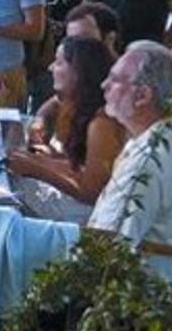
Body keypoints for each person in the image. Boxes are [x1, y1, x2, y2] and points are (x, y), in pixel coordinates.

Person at [87, 41, 172, 253]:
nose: (103, 85)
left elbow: (105, 250)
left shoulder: (147, 161)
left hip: (154, 280)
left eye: (115, 79)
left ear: (142, 96)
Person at [7, 36, 125, 223]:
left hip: (81, 215)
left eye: (59, 62)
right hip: (70, 202)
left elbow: (92, 193)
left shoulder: (101, 124)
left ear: (79, 72)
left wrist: (36, 168)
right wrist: (42, 159)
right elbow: (81, 168)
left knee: (8, 188)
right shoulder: (74, 101)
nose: (51, 68)